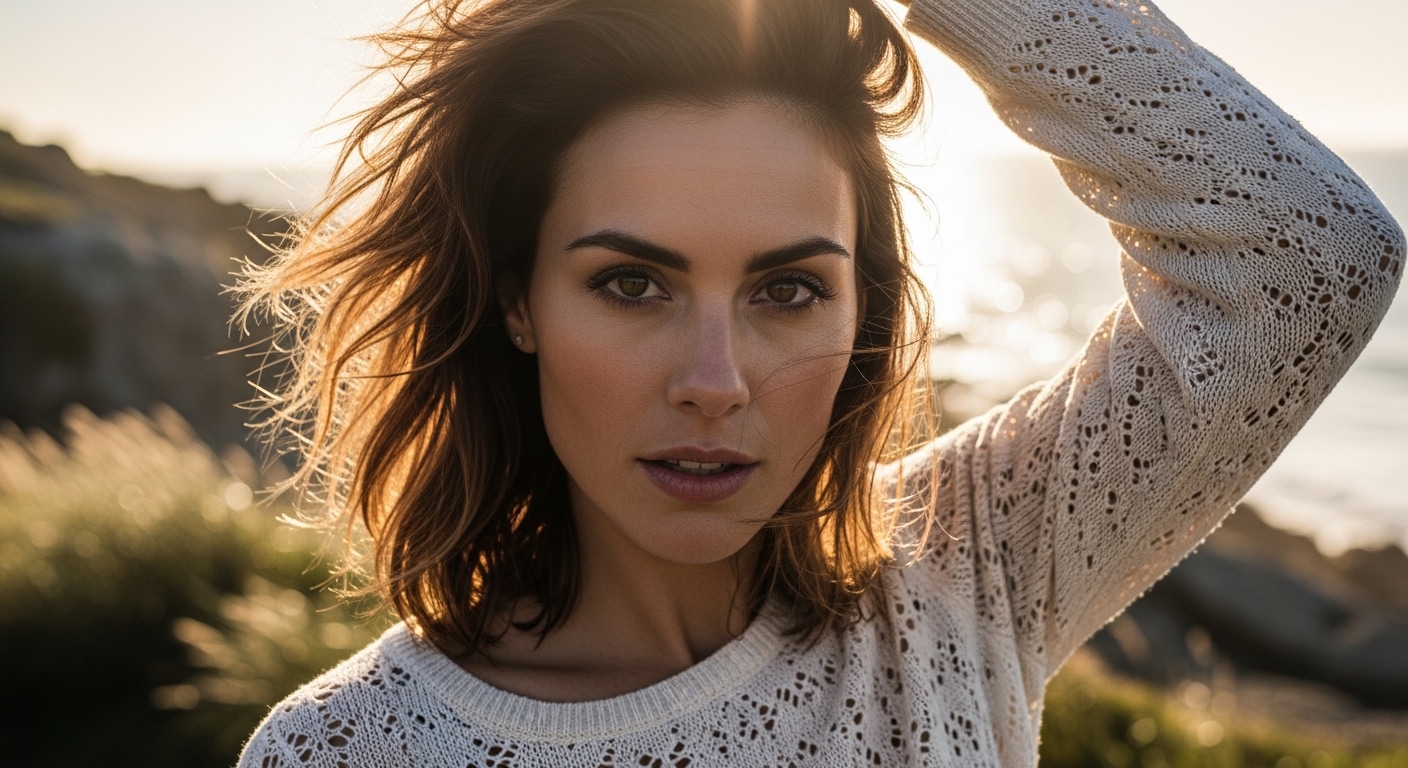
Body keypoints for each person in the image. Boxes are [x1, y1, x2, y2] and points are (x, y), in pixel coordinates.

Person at [235, 0, 1403, 764]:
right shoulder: (351, 749)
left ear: (865, 315)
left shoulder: (968, 568)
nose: (715, 381)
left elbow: (1306, 253)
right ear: (516, 302)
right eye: (632, 286)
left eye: (786, 290)